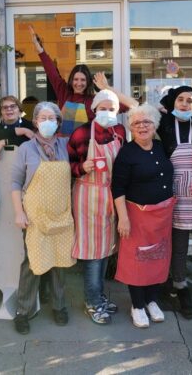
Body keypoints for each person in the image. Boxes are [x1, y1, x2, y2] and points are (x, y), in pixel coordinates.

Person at [11, 102, 76, 335]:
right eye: (43, 118)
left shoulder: (67, 146)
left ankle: (59, 306)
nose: (48, 122)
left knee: (60, 260)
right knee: (32, 263)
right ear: (36, 122)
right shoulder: (26, 149)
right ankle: (23, 311)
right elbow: (16, 183)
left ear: (58, 123)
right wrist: (19, 212)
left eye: (53, 118)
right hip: (35, 215)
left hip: (61, 213)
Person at [112, 104, 176, 328]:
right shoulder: (126, 152)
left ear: (155, 125)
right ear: (130, 127)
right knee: (137, 260)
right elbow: (117, 188)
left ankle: (151, 300)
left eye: (147, 122)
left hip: (162, 215)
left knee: (157, 258)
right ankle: (137, 305)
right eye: (136, 122)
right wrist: (123, 218)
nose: (142, 126)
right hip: (136, 216)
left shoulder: (161, 147)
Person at [68, 89, 126, 324]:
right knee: (93, 252)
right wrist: (82, 168)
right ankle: (92, 302)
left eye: (111, 109)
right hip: (88, 194)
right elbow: (68, 165)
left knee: (105, 250)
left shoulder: (119, 132)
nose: (107, 112)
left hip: (111, 195)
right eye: (102, 108)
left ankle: (99, 296)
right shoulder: (81, 133)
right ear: (93, 110)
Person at [158, 86, 192, 319]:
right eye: (180, 99)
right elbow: (134, 106)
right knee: (178, 250)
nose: (185, 104)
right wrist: (109, 89)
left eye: (190, 100)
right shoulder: (166, 125)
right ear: (173, 103)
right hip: (176, 198)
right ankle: (181, 290)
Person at [29, 26, 137, 135]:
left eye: (83, 80)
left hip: (84, 149)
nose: (79, 83)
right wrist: (39, 48)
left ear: (88, 82)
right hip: (62, 147)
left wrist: (107, 88)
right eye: (76, 79)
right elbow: (51, 71)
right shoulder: (64, 92)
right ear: (71, 80)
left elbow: (132, 105)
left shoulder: (96, 101)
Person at [0, 96, 34, 160]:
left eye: (13, 106)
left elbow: (30, 141)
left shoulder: (30, 125)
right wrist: (22, 131)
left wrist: (4, 141)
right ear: (1, 113)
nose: (9, 109)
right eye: (5, 107)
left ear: (20, 111)